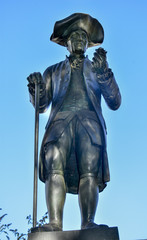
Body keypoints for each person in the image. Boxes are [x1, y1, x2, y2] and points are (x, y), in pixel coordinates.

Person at [27, 13, 121, 231]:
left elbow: (115, 101)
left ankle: (88, 221)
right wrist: (36, 89)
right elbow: (41, 105)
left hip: (89, 124)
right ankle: (54, 222)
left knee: (90, 171)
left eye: (83, 38)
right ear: (66, 44)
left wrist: (105, 74)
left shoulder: (97, 69)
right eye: (75, 37)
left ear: (88, 45)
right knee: (54, 167)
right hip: (60, 124)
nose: (80, 40)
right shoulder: (53, 71)